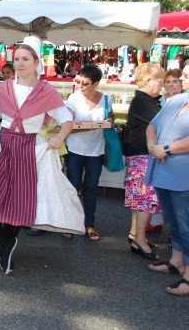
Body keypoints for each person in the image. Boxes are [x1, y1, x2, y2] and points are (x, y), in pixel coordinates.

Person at [0, 36, 84, 275]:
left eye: (25, 59)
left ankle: (5, 246)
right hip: (3, 145)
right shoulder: (6, 87)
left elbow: (67, 121)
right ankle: (5, 241)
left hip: (30, 148)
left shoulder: (46, 91)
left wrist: (58, 139)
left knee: (22, 203)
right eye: (17, 59)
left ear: (36, 62)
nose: (20, 64)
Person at [144, 61, 189, 296]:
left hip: (184, 175)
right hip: (164, 171)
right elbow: (153, 125)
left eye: (187, 76)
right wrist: (154, 147)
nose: (182, 79)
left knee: (186, 223)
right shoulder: (177, 100)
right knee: (174, 221)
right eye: (184, 74)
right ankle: (176, 261)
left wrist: (167, 149)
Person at [64, 65, 115, 241]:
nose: (81, 86)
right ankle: (70, 222)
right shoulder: (73, 98)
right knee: (73, 186)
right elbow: (67, 125)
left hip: (96, 150)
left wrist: (109, 121)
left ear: (96, 84)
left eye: (85, 83)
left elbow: (111, 118)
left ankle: (89, 223)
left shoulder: (106, 100)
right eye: (78, 81)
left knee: (91, 188)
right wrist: (92, 126)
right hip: (75, 148)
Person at [123, 62, 164, 260]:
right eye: (160, 80)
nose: (162, 85)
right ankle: (140, 239)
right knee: (146, 199)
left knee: (140, 199)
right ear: (148, 81)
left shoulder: (144, 100)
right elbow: (165, 122)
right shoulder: (144, 101)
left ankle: (136, 236)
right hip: (141, 155)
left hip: (139, 154)